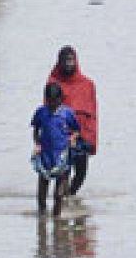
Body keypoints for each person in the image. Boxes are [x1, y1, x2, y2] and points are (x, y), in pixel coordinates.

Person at [46, 46, 98, 196]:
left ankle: (70, 196)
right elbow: (47, 112)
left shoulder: (87, 85)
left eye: (71, 60)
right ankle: (60, 210)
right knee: (63, 174)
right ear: (59, 62)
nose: (69, 63)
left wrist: (92, 138)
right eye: (65, 60)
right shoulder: (53, 84)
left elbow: (93, 114)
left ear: (76, 61)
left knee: (81, 174)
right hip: (62, 137)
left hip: (83, 135)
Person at [31, 82, 81, 217]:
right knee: (42, 192)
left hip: (62, 157)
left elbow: (76, 130)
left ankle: (56, 219)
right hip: (45, 155)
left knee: (58, 194)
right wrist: (37, 143)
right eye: (49, 101)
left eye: (55, 101)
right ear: (45, 99)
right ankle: (41, 218)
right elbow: (36, 129)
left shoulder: (67, 113)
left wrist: (72, 138)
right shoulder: (41, 112)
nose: (52, 104)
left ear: (61, 99)